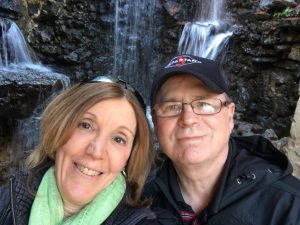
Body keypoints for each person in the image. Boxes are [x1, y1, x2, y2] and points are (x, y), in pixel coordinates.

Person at [143, 54, 300, 225]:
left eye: (204, 104)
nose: (188, 119)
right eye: (172, 107)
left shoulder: (290, 206)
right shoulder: (138, 204)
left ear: (230, 115)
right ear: (154, 120)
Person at [0, 76, 177, 225]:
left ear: (129, 158)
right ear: (58, 129)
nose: (96, 151)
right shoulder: (4, 201)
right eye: (86, 125)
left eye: (118, 139)